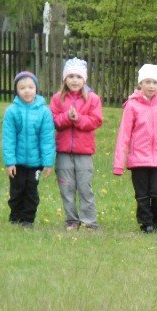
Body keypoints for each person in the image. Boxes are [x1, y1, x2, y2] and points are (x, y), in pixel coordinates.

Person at [113, 64, 157, 232]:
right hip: (138, 160)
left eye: (154, 82)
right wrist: (119, 164)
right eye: (147, 82)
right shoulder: (132, 105)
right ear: (141, 83)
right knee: (142, 195)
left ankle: (156, 220)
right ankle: (146, 223)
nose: (151, 86)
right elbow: (124, 135)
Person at [49, 57, 103, 230]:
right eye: (71, 76)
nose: (74, 80)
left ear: (84, 79)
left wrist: (78, 118)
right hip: (63, 151)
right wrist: (67, 117)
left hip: (84, 152)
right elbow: (52, 120)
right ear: (65, 78)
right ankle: (72, 220)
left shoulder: (93, 99)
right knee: (67, 187)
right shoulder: (57, 99)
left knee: (85, 187)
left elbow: (95, 121)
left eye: (78, 77)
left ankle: (89, 221)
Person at [2, 71, 55, 227]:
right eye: (22, 88)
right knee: (16, 191)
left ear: (36, 89)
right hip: (17, 163)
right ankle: (15, 217)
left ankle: (27, 220)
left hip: (35, 163)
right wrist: (10, 162)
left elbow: (47, 139)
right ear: (16, 90)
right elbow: (8, 138)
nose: (27, 91)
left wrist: (48, 162)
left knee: (31, 192)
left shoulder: (44, 112)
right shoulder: (12, 111)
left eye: (31, 87)